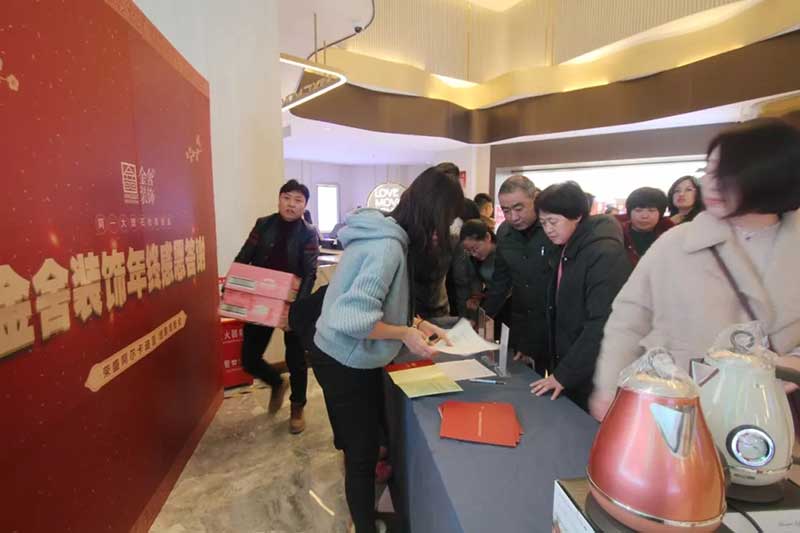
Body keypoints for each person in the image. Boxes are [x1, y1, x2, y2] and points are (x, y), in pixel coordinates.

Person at [591, 118, 800, 422]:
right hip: (675, 410)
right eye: (708, 170)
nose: (709, 183)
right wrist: (610, 388)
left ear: (769, 174)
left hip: (770, 416)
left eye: (726, 173)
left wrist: (793, 363)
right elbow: (628, 319)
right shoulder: (677, 243)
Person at [311, 167, 463, 533]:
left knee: (365, 443)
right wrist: (404, 334)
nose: (442, 234)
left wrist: (416, 323)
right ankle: (363, 525)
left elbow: (383, 303)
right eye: (443, 222)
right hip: (343, 357)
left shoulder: (389, 237)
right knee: (361, 455)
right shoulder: (387, 248)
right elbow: (352, 319)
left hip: (351, 354)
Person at [529, 182, 631, 410]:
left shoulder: (604, 253)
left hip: (593, 374)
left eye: (553, 221)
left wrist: (565, 374)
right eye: (543, 223)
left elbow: (602, 322)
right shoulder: (565, 247)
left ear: (576, 216)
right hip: (572, 366)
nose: (548, 229)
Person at [234, 179, 319, 434]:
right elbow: (244, 256)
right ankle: (276, 382)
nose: (291, 204)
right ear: (279, 199)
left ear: (304, 205)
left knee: (296, 360)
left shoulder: (308, 233)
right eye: (287, 198)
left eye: (298, 200)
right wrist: (233, 286)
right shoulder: (264, 224)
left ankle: (297, 407)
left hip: (293, 301)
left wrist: (296, 311)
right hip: (261, 298)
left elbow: (310, 273)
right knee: (249, 358)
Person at [482, 175, 554, 375]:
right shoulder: (505, 233)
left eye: (519, 208)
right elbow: (500, 281)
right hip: (522, 325)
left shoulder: (552, 229)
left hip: (553, 325)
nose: (513, 217)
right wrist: (484, 315)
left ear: (535, 199)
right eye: (506, 210)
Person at [412, 162, 463, 319]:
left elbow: (456, 280)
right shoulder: (412, 228)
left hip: (440, 309)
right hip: (412, 313)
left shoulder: (453, 233)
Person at [451, 219, 497, 319]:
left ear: (487, 237)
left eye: (475, 248)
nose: (474, 254)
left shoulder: (503, 255)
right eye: (469, 251)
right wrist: (477, 297)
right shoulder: (475, 259)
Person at [620, 187, 674, 267]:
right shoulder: (617, 234)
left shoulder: (670, 235)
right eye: (638, 210)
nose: (644, 216)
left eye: (651, 210)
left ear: (660, 214)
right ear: (629, 212)